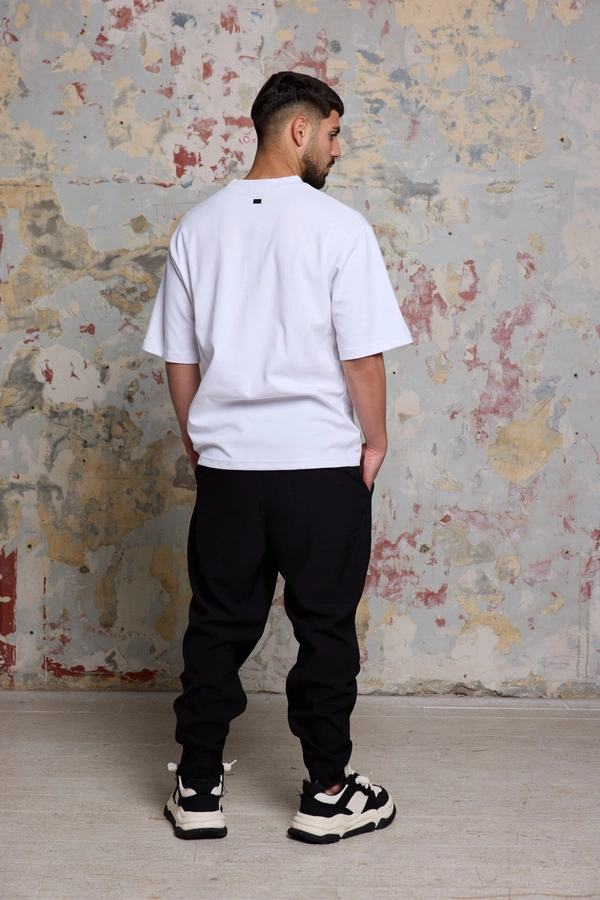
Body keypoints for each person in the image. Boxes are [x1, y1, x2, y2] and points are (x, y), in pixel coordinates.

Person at [142, 71, 413, 844]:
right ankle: (327, 793)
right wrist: (375, 439)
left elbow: (180, 360)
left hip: (230, 471)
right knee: (325, 628)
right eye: (333, 132)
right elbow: (362, 358)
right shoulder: (340, 228)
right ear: (300, 130)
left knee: (217, 625)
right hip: (320, 469)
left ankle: (198, 787)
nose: (337, 148)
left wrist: (200, 438)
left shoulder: (198, 226)